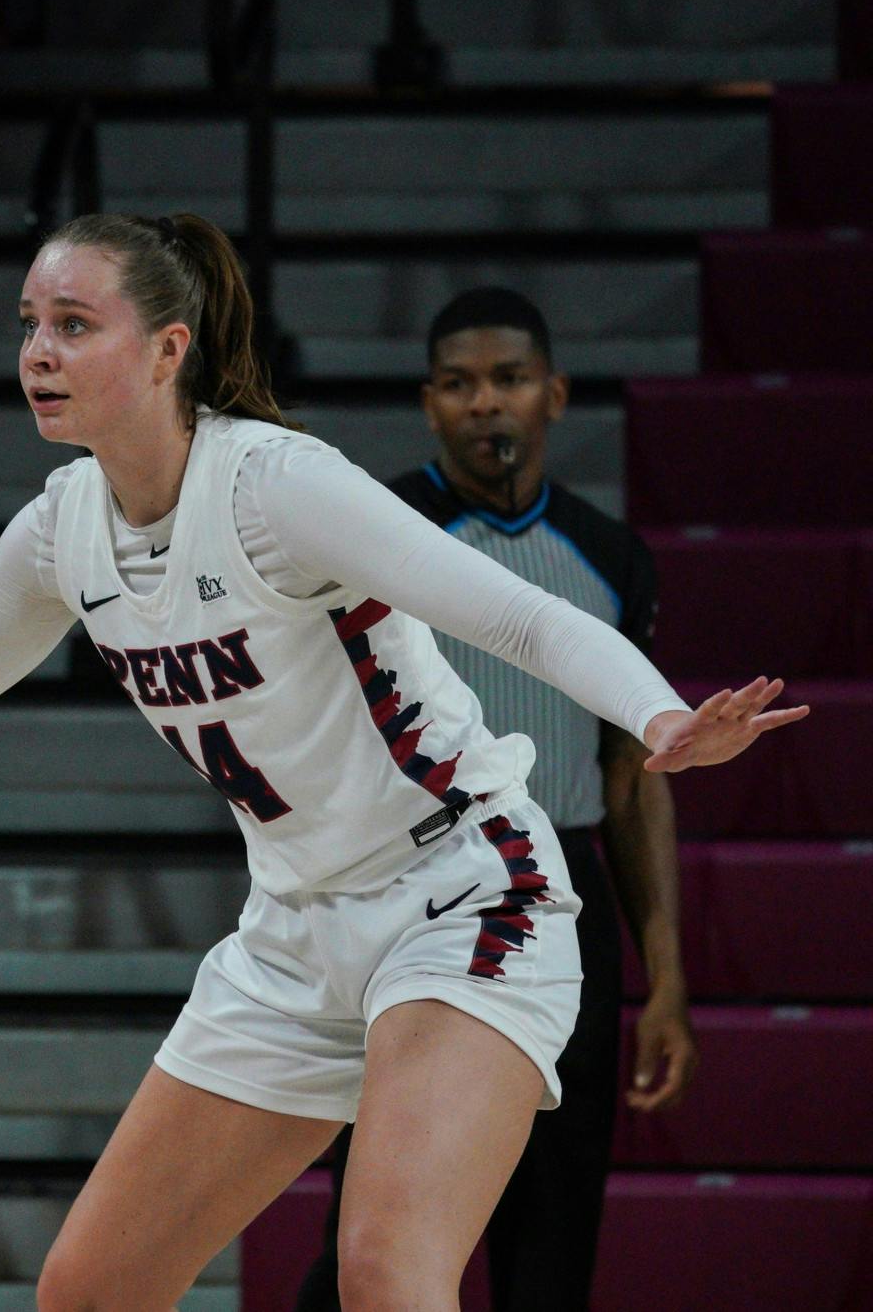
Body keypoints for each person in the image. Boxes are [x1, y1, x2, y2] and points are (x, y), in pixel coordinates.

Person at [0, 213, 803, 1310]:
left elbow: (508, 611)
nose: (37, 351)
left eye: (74, 324)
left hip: (466, 895)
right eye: (28, 323)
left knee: (386, 1270)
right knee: (87, 1292)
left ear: (169, 347)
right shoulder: (61, 530)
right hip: (296, 930)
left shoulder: (275, 486)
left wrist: (657, 715)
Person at [295, 288, 697, 1310]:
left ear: (551, 394)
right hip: (407, 890)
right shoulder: (367, 534)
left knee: (551, 1244)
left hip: (565, 893)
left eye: (508, 380)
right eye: (460, 384)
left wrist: (666, 975)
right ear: (428, 403)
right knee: (370, 1242)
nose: (486, 405)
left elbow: (628, 778)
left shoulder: (608, 557)